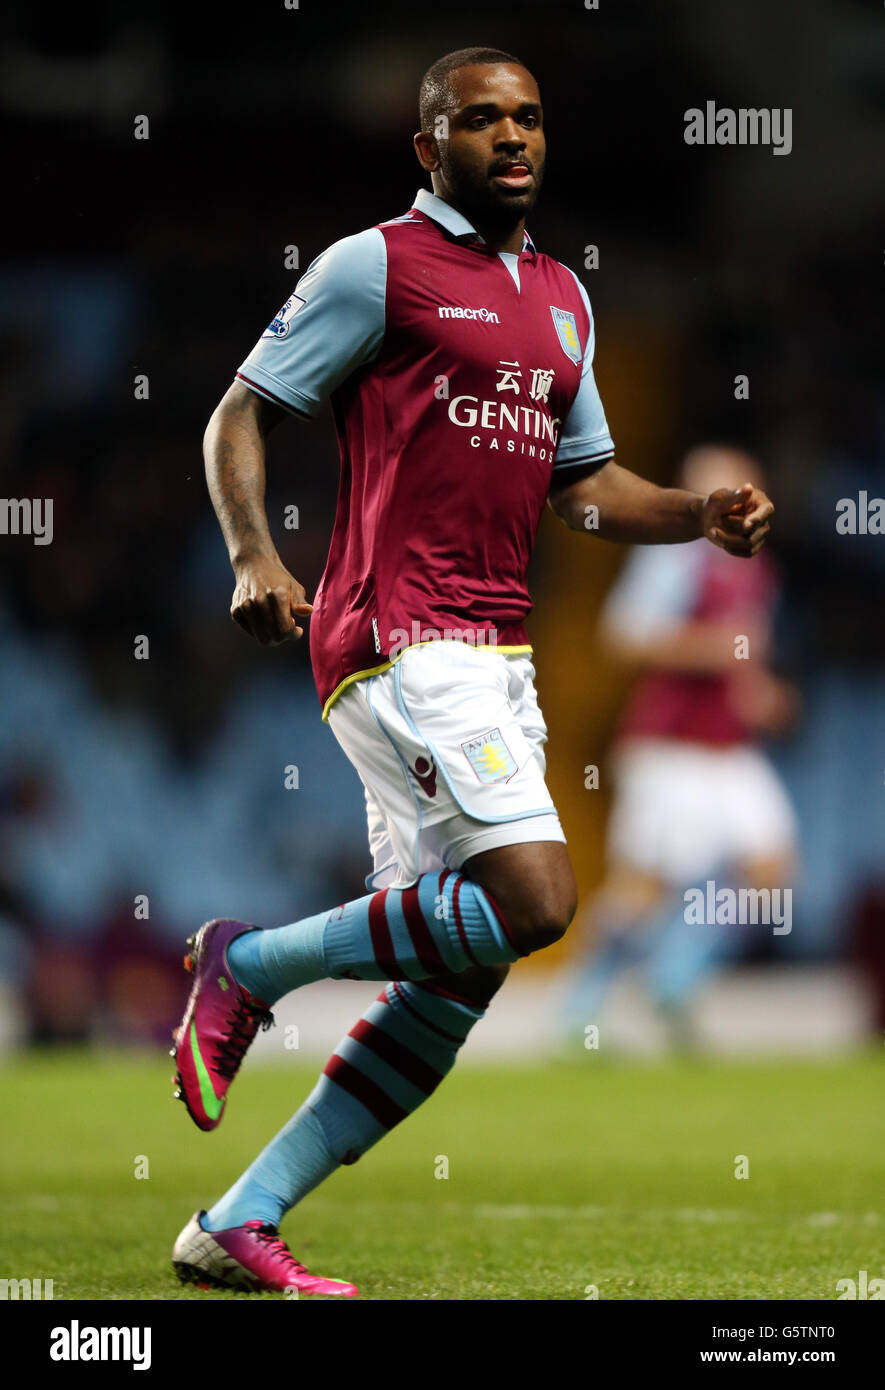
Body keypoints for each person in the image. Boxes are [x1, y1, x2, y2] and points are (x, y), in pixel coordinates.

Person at [170, 49, 774, 1296]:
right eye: (481, 118)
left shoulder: (563, 297)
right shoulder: (374, 264)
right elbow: (239, 413)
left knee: (457, 982)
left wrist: (697, 512)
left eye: (531, 117)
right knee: (541, 899)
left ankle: (236, 1219)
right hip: (398, 632)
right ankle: (250, 965)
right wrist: (251, 554)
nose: (513, 137)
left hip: (498, 654)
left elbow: (586, 492)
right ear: (428, 144)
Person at [558, 446, 797, 1047]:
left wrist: (760, 693)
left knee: (771, 872)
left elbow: (741, 658)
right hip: (668, 746)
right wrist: (708, 649)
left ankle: (674, 980)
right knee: (643, 885)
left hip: (729, 747)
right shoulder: (680, 558)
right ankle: (579, 1008)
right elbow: (624, 635)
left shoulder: (758, 570)